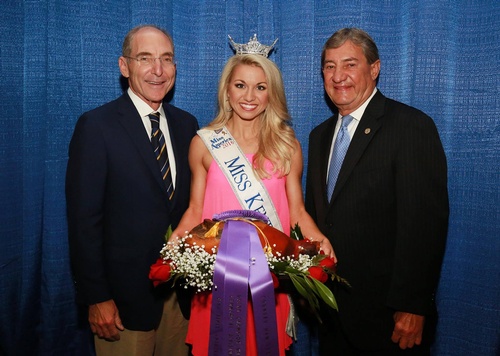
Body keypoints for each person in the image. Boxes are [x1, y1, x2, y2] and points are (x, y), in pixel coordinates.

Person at [170, 35, 335, 356]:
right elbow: (194, 209)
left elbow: (297, 211)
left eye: (261, 87)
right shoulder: (204, 143)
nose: (250, 96)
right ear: (227, 91)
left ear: (271, 94)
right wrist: (175, 242)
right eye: (241, 85)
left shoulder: (288, 146)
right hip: (215, 280)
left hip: (267, 282)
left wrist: (318, 237)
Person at [305, 28, 449, 355]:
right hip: (331, 314)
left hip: (389, 319)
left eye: (349, 64)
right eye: (329, 66)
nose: (338, 76)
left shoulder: (410, 127)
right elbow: (316, 219)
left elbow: (425, 225)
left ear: (374, 69)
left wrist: (414, 305)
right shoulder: (318, 137)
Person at [66, 25, 198, 356]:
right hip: (123, 304)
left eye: (166, 59)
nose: (158, 70)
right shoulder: (96, 126)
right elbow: (84, 221)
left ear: (175, 68)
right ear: (124, 67)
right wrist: (97, 297)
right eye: (145, 58)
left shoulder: (188, 125)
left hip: (179, 300)